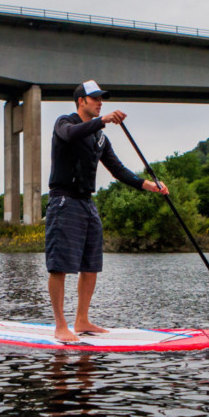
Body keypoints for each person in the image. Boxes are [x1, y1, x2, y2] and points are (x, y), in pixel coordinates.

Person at [46, 80, 169, 342]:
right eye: (95, 98)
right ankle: (60, 325)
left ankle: (81, 320)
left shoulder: (100, 137)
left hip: (87, 203)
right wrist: (102, 120)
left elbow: (117, 169)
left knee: (91, 264)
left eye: (102, 98)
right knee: (60, 266)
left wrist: (148, 184)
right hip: (63, 201)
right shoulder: (63, 123)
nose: (101, 102)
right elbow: (70, 135)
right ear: (81, 101)